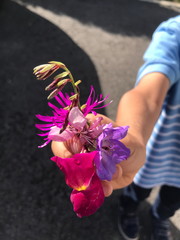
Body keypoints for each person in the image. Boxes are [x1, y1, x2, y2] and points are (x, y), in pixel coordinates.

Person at [52, 16, 180, 240]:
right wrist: (136, 139)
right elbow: (146, 97)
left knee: (173, 200)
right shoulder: (176, 34)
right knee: (137, 190)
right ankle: (129, 209)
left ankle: (160, 216)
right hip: (156, 158)